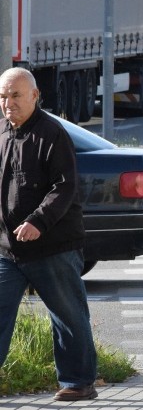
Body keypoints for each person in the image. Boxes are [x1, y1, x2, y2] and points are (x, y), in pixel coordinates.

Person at [0, 68, 98, 402]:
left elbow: (64, 186)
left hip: (53, 244)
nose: (8, 103)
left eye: (15, 95)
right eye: (3, 96)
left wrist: (38, 222)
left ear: (34, 96)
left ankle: (79, 382)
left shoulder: (51, 133)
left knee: (67, 314)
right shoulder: (0, 132)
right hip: (7, 249)